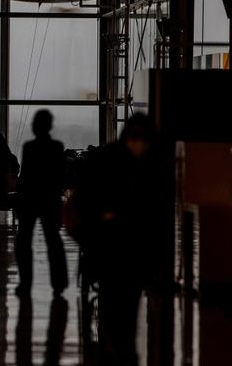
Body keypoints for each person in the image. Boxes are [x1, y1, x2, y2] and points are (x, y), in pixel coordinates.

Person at [83, 113, 170, 366]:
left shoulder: (114, 160)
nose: (139, 144)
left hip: (125, 253)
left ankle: (118, 353)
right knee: (120, 310)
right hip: (120, 252)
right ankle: (121, 353)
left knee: (121, 310)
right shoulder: (153, 166)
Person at [14, 109, 68, 298]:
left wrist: (20, 199)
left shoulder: (29, 147)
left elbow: (25, 176)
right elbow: (60, 176)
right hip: (50, 199)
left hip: (30, 199)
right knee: (53, 241)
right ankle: (59, 283)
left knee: (23, 242)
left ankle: (25, 283)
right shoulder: (57, 147)